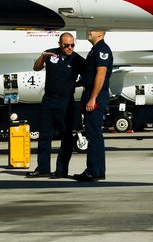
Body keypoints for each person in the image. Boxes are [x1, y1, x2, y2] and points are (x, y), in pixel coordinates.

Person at [26, 32, 85, 179]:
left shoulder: (77, 59)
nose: (69, 48)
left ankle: (61, 170)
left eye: (72, 45)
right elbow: (36, 68)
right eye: (66, 45)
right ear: (60, 44)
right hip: (48, 100)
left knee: (66, 136)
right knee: (45, 135)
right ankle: (43, 168)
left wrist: (73, 84)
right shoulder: (51, 54)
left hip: (65, 101)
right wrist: (42, 57)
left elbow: (88, 76)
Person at [73, 30, 113, 182]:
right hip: (90, 95)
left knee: (93, 135)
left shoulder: (102, 50)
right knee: (94, 134)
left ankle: (93, 171)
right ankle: (97, 171)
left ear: (101, 33)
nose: (89, 32)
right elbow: (89, 75)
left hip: (96, 97)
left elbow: (100, 75)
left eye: (93, 30)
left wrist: (93, 98)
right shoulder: (95, 50)